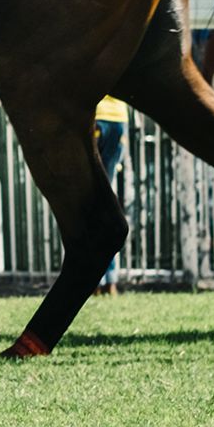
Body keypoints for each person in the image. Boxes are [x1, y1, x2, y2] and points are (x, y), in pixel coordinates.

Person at [93, 96, 129, 295]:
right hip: (118, 118)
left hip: (95, 116)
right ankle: (110, 281)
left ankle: (95, 281)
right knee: (106, 204)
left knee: (90, 203)